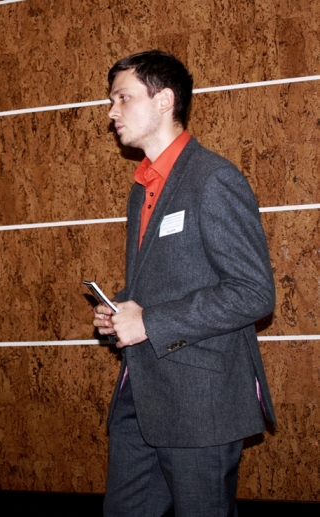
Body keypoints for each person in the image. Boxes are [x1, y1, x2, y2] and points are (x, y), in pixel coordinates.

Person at [93, 50, 276, 517]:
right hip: (140, 397)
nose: (111, 111)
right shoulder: (141, 189)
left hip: (200, 404)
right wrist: (121, 311)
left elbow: (253, 292)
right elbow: (165, 282)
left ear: (164, 100)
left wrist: (149, 322)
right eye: (111, 100)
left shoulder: (213, 179)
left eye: (122, 97)